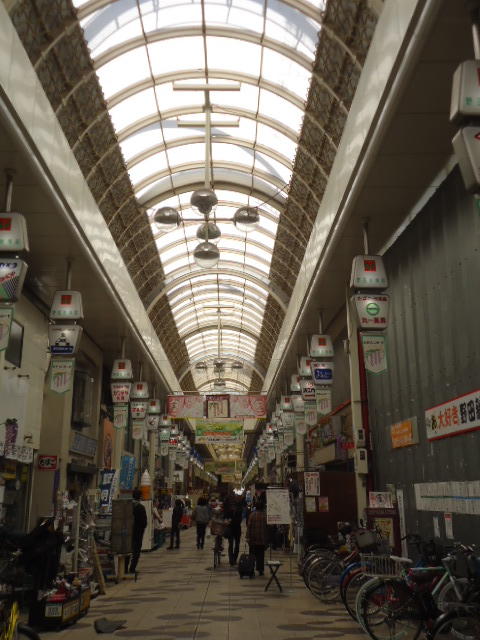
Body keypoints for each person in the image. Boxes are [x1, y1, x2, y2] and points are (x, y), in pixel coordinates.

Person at [246, 496, 268, 576]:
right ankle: (260, 570)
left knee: (252, 555)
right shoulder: (265, 516)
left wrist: (247, 537)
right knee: (261, 555)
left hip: (253, 539)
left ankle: (251, 569)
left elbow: (249, 527)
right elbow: (267, 527)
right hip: (262, 539)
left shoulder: (252, 515)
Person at [129, 489, 147, 573]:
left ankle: (124, 569)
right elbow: (144, 522)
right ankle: (132, 568)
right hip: (138, 533)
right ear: (140, 497)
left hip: (128, 533)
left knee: (127, 551)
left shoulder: (128, 506)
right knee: (136, 552)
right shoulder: (140, 507)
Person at [224, 495, 243, 566]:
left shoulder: (239, 511)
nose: (233, 507)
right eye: (232, 506)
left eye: (234, 506)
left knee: (237, 545)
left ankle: (234, 558)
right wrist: (227, 521)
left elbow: (239, 520)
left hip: (237, 529)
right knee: (231, 544)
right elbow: (225, 518)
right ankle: (231, 560)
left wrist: (231, 520)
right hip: (230, 529)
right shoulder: (228, 512)